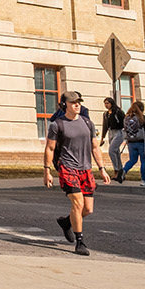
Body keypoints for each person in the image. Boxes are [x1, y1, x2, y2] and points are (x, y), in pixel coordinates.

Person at [44, 90, 112, 256]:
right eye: (73, 102)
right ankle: (80, 242)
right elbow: (50, 148)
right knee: (78, 204)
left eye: (79, 102)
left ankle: (67, 222)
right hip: (67, 168)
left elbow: (95, 147)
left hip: (85, 169)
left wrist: (102, 169)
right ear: (64, 105)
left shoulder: (87, 123)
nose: (77, 105)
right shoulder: (57, 125)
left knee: (88, 209)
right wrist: (47, 171)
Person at [118, 101, 145, 185]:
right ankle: (144, 180)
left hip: (131, 142)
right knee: (143, 161)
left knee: (132, 160)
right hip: (142, 143)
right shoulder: (143, 118)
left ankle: (124, 171)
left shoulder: (127, 118)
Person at [100, 97, 126, 179]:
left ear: (112, 103)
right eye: (105, 103)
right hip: (111, 133)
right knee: (116, 152)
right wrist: (102, 138)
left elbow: (125, 121)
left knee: (112, 151)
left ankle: (116, 170)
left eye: (108, 103)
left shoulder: (118, 112)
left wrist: (127, 133)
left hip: (119, 132)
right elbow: (105, 126)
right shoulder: (106, 114)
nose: (106, 105)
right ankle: (121, 172)